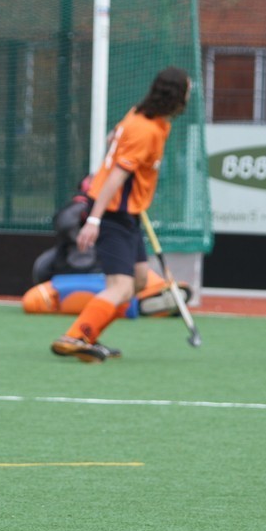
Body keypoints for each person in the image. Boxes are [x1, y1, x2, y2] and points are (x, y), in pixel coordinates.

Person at [50, 66, 191, 363]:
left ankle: (88, 336)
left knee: (138, 281)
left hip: (128, 214)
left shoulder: (140, 116)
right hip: (113, 213)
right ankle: (75, 336)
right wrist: (94, 219)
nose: (190, 97)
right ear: (177, 96)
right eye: (188, 92)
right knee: (121, 287)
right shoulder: (145, 130)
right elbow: (117, 175)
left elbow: (111, 138)